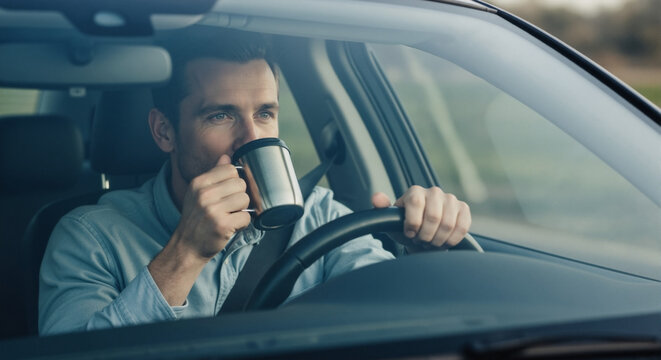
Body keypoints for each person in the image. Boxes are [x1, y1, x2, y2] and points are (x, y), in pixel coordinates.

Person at [38, 30, 471, 335]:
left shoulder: (319, 215)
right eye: (221, 115)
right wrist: (184, 254)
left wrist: (422, 257)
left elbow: (394, 323)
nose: (253, 138)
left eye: (265, 113)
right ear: (164, 131)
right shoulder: (90, 235)